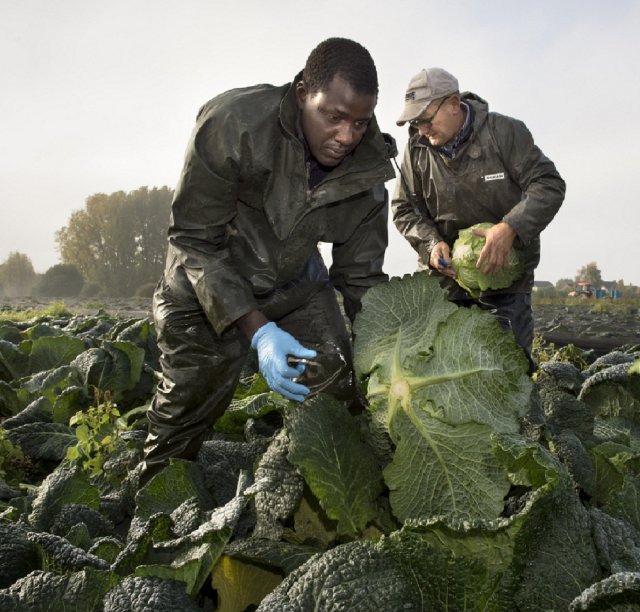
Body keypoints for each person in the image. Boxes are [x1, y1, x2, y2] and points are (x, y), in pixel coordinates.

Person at [141, 37, 396, 483]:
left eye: (360, 123)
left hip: (294, 286)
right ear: (303, 94)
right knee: (185, 413)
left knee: (333, 382)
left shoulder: (368, 173)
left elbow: (362, 279)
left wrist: (395, 352)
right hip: (204, 287)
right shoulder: (233, 124)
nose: (346, 136)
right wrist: (259, 333)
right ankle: (150, 509)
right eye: (333, 117)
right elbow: (194, 240)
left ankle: (327, 504)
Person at [392, 67, 565, 371]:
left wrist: (511, 227)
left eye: (426, 119)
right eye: (415, 122)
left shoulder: (504, 133)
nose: (422, 130)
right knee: (447, 377)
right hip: (444, 288)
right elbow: (404, 208)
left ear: (454, 104)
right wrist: (431, 246)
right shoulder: (416, 151)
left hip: (505, 286)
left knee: (508, 376)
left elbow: (548, 184)